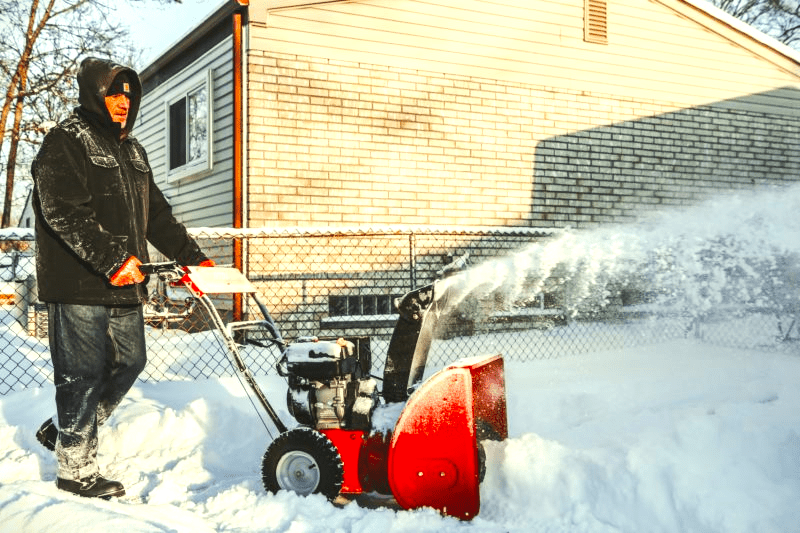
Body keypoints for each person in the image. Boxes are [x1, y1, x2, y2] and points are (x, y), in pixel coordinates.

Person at [31, 57, 214, 499]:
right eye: (114, 94)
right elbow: (63, 211)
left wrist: (195, 259)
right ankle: (75, 470)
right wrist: (113, 258)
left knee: (130, 361)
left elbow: (158, 217)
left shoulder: (133, 151)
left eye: (129, 96)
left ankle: (68, 434)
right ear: (94, 93)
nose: (122, 104)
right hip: (79, 283)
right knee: (81, 372)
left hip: (125, 284)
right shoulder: (65, 141)